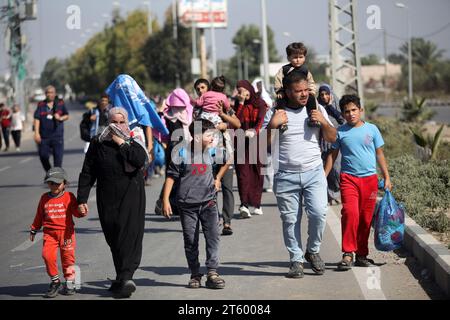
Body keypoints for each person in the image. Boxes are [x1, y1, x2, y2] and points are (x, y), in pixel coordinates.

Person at [264, 72, 337, 278]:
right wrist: (272, 125)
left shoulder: (316, 107)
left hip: (314, 172)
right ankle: (296, 259)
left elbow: (333, 138)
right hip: (285, 175)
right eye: (298, 91)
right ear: (287, 92)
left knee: (318, 213)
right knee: (290, 220)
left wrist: (323, 121)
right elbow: (262, 146)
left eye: (306, 90)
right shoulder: (274, 112)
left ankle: (312, 251)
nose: (304, 94)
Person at [77, 107, 148, 298]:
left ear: (127, 122)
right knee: (113, 236)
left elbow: (139, 160)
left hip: (131, 194)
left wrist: (122, 143)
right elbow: (88, 171)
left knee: (129, 235)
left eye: (121, 121)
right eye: (114, 122)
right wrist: (82, 198)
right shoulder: (98, 142)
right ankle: (121, 277)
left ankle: (126, 277)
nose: (118, 126)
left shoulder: (134, 138)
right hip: (107, 196)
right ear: (108, 122)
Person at [324, 94, 392, 271]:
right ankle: (347, 253)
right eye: (346, 111)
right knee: (350, 213)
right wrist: (323, 175)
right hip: (349, 180)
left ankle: (361, 254)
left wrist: (387, 177)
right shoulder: (341, 132)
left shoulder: (372, 129)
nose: (351, 114)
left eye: (354, 110)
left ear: (360, 110)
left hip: (370, 181)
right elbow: (333, 155)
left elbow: (379, 154)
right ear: (343, 113)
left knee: (366, 218)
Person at [162, 119, 228, 289]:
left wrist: (218, 178)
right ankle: (195, 274)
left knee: (213, 237)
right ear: (197, 136)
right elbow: (171, 176)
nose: (213, 138)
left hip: (209, 203)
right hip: (187, 205)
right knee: (191, 241)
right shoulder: (181, 153)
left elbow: (228, 160)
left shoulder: (213, 151)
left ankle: (212, 272)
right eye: (209, 135)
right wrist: (165, 200)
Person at [30, 167, 86, 298]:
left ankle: (70, 282)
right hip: (49, 234)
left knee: (67, 259)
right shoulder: (44, 198)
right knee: (47, 256)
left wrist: (81, 211)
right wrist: (34, 228)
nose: (53, 186)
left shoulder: (69, 197)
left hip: (66, 233)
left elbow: (76, 213)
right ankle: (55, 282)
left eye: (57, 183)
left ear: (65, 183)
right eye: (51, 183)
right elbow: (39, 216)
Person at [154, 88, 194, 215]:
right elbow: (160, 130)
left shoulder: (190, 112)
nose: (178, 108)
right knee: (172, 176)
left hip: (187, 149)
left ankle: (175, 204)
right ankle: (166, 203)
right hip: (173, 150)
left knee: (184, 177)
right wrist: (164, 143)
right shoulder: (166, 115)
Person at [233, 80, 267, 218]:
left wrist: (254, 131)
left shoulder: (260, 104)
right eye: (239, 91)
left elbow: (261, 120)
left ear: (249, 90)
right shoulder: (238, 104)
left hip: (258, 142)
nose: (242, 93)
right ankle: (244, 204)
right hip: (241, 143)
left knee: (258, 173)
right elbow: (236, 121)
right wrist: (240, 104)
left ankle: (257, 203)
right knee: (242, 174)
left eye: (244, 90)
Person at [317, 84, 345, 205]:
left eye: (326, 94)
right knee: (325, 170)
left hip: (336, 142)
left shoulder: (336, 106)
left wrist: (330, 107)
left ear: (331, 94)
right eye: (322, 94)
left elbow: (342, 120)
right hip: (322, 143)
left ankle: (337, 193)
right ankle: (329, 196)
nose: (324, 96)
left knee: (336, 169)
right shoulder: (317, 107)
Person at [34, 86, 69, 172]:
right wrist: (36, 133)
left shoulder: (60, 103)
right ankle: (50, 173)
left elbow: (67, 115)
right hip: (44, 137)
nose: (49, 94)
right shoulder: (41, 105)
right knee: (43, 156)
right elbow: (37, 119)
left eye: (51, 92)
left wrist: (60, 118)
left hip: (57, 137)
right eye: (48, 92)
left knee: (58, 161)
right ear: (45, 94)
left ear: (55, 93)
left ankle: (57, 180)